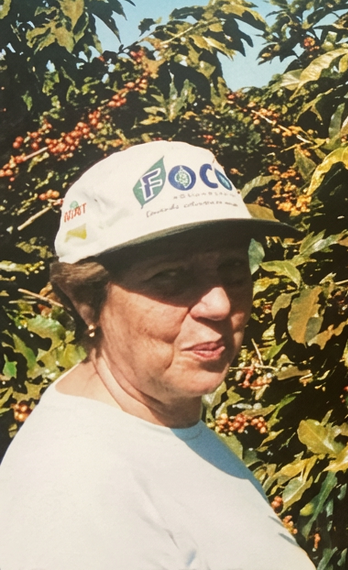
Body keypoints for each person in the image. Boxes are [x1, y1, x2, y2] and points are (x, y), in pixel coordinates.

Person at [0, 140, 316, 570]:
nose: (219, 304)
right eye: (170, 276)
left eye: (232, 269)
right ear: (85, 300)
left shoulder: (164, 424)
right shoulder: (73, 493)